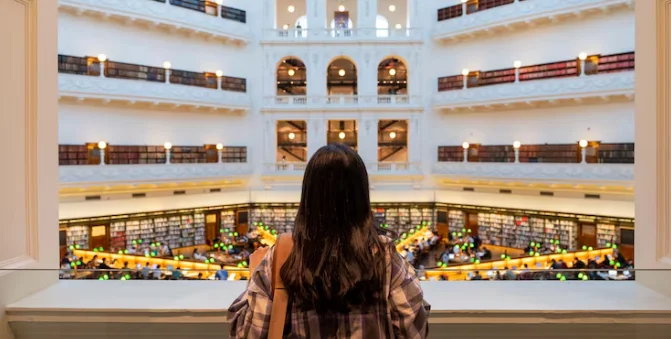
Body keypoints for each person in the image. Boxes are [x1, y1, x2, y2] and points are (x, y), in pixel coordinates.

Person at [228, 144, 429, 338]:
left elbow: (247, 334)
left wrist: (254, 274)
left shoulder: (282, 255)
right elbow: (413, 330)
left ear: (308, 196)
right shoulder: (382, 254)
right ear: (361, 195)